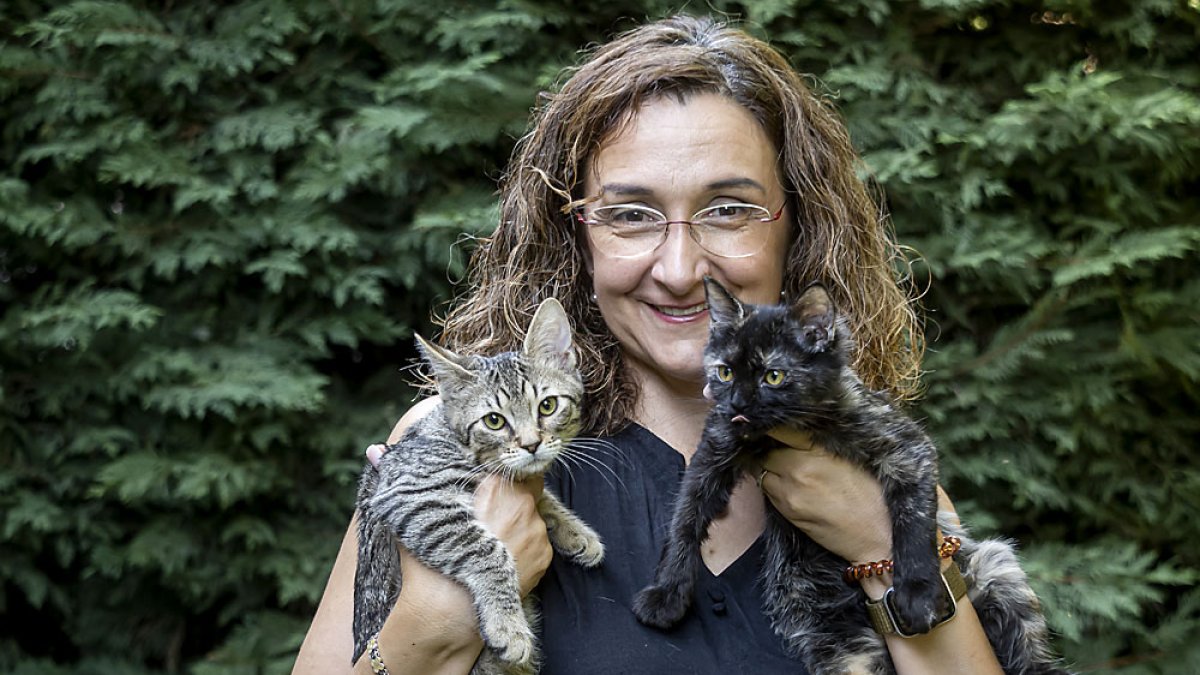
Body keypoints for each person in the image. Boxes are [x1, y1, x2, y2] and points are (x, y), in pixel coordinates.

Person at [295, 15, 1008, 674]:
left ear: (798, 225)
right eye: (631, 215)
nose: (679, 269)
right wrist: (435, 623)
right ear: (575, 237)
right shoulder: (456, 456)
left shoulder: (880, 473)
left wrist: (884, 548)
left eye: (728, 210)